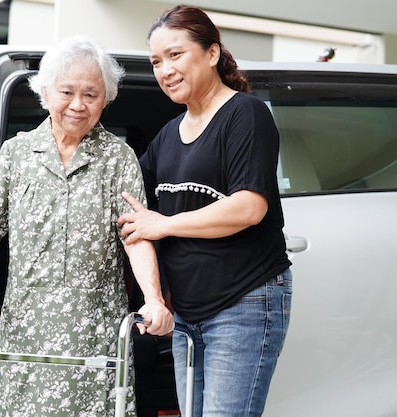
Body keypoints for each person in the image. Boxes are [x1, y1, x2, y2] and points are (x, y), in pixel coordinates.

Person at [0, 35, 173, 417]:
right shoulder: (17, 153)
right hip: (26, 328)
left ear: (105, 99)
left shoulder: (117, 157)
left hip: (94, 330)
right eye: (67, 92)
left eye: (91, 95)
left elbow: (136, 235)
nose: (78, 105)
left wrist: (153, 300)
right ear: (45, 92)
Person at [117, 5, 292, 417]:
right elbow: (128, 197)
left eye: (175, 55)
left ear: (212, 54)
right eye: (157, 61)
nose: (164, 70)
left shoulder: (244, 114)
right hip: (188, 314)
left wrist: (164, 225)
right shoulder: (167, 136)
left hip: (244, 301)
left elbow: (249, 206)